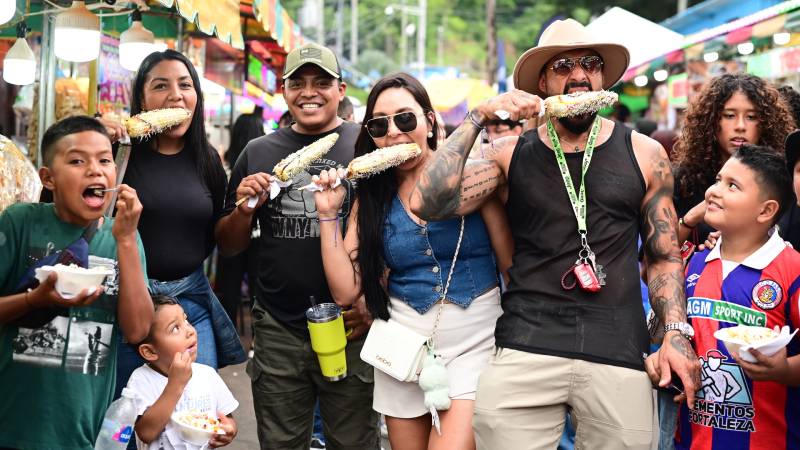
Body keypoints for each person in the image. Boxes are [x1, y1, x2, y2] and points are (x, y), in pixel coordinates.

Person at [409, 18, 700, 449]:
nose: (579, 75)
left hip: (617, 347)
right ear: (543, 82)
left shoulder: (645, 153)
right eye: (563, 66)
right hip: (528, 344)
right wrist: (477, 116)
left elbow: (663, 256)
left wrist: (675, 330)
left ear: (602, 76)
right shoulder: (509, 154)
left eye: (590, 63)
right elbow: (426, 202)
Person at [312, 72, 503, 450]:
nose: (394, 133)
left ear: (430, 122)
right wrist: (327, 214)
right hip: (403, 350)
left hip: (476, 342)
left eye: (405, 119)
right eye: (380, 125)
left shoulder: (474, 175)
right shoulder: (372, 197)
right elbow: (346, 290)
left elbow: (511, 264)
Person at [215, 42, 379, 450]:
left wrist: (374, 302)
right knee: (280, 443)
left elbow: (397, 229)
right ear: (283, 90)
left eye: (322, 82)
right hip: (279, 327)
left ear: (340, 90)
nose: (310, 92)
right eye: (298, 83)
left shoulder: (366, 144)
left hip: (352, 326)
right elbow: (228, 245)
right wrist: (244, 209)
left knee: (354, 442)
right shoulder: (258, 152)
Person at [0, 116, 153, 448]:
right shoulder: (19, 223)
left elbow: (138, 330)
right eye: (77, 161)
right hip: (12, 425)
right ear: (48, 178)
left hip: (82, 431)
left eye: (104, 160)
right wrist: (33, 301)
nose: (95, 170)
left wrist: (126, 240)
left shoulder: (124, 237)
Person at [102, 50, 246, 401]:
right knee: (128, 417)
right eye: (160, 85)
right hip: (130, 304)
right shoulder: (119, 152)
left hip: (190, 306)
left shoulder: (208, 159)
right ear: (141, 98)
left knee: (196, 412)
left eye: (185, 85)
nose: (175, 95)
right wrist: (94, 136)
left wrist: (245, 209)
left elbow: (220, 236)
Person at [645, 145, 800, 450]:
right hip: (693, 441)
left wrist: (783, 371)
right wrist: (663, 361)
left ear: (766, 210)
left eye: (733, 185)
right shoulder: (694, 264)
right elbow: (674, 337)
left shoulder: (792, 270)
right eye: (717, 180)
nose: (714, 191)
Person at [673, 73, 793, 247]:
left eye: (751, 117)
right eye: (729, 115)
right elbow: (650, 262)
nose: (740, 126)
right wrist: (691, 219)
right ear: (711, 120)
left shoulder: (785, 181)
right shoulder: (684, 181)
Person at [127, 295, 238, 449]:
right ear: (150, 351)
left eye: (186, 321)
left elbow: (226, 418)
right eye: (175, 328)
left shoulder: (207, 375)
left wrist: (229, 430)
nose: (190, 331)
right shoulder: (142, 379)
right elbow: (145, 433)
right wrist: (175, 384)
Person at [217, 108, 266, 325]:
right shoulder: (261, 163)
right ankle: (256, 340)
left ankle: (228, 335)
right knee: (258, 290)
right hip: (257, 237)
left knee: (229, 290)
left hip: (231, 233)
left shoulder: (225, 166)